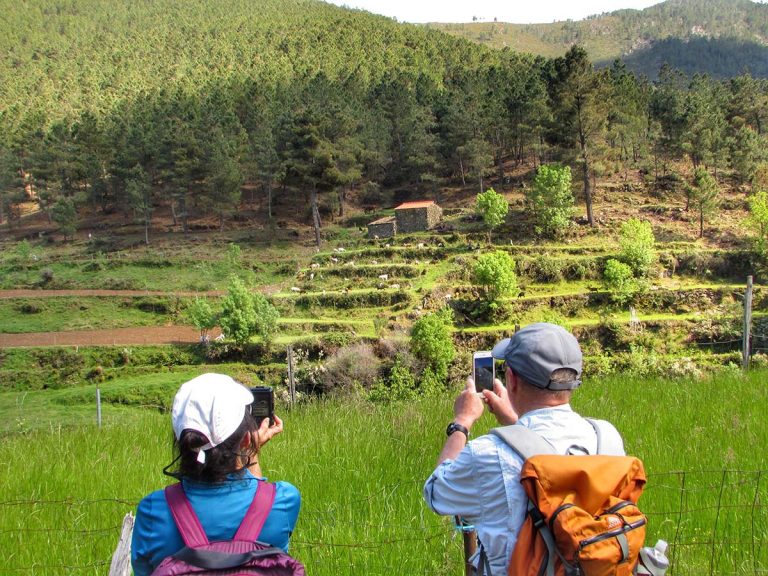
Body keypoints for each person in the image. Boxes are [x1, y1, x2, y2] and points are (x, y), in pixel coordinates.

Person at [423, 323, 624, 576]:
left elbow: (436, 493)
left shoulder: (489, 453)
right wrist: (516, 423)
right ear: (573, 380)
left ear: (512, 379)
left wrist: (462, 422)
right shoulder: (606, 437)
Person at [131, 373, 301, 576]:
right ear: (246, 441)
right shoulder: (283, 500)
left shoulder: (153, 511)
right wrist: (253, 454)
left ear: (183, 441)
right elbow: (259, 500)